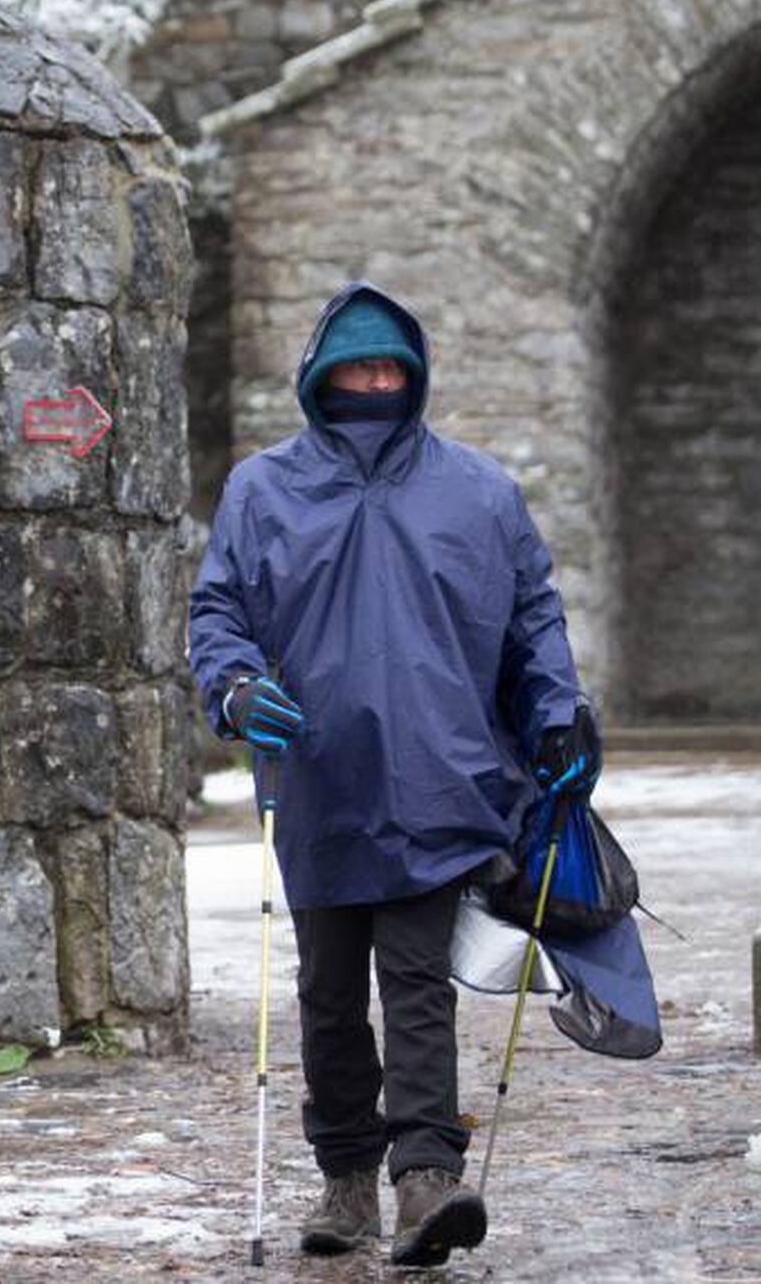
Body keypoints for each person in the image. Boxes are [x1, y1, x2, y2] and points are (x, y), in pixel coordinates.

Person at [188, 281, 601, 1267]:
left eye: (389, 368)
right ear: (318, 378)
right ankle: (344, 1182)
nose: (372, 381)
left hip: (439, 777)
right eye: (354, 367)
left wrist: (557, 718)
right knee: (329, 990)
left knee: (416, 980)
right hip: (317, 780)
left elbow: (531, 622)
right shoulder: (261, 490)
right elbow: (219, 615)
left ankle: (424, 1178)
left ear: (413, 377)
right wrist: (236, 689)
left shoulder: (480, 493)